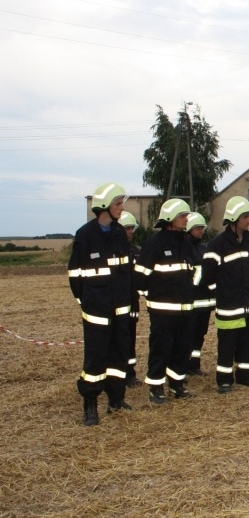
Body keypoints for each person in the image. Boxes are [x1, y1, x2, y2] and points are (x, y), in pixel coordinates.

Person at [68, 182, 132, 426]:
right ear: (104, 206)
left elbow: (125, 271)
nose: (122, 208)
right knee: (95, 358)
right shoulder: (85, 235)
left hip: (120, 309)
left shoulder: (119, 233)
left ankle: (116, 399)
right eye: (118, 204)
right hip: (97, 310)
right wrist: (86, 301)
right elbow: (75, 274)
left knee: (119, 356)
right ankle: (90, 404)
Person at [135, 199, 196, 404]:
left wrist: (190, 293)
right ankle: (156, 388)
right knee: (161, 349)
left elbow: (193, 271)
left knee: (182, 348)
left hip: (185, 309)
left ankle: (177, 385)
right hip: (162, 311)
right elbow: (140, 275)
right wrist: (151, 296)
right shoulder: (155, 243)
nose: (186, 219)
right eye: (183, 216)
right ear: (170, 218)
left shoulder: (186, 242)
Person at [202, 196, 249, 393]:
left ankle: (245, 376)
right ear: (234, 219)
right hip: (228, 307)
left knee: (247, 344)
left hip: (247, 306)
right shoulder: (218, 244)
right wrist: (219, 292)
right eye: (245, 216)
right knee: (227, 346)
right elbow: (207, 274)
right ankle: (225, 380)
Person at [186, 213, 214, 376]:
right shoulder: (185, 249)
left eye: (202, 228)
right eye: (198, 228)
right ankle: (183, 365)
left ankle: (194, 365)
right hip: (192, 302)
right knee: (187, 335)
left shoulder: (203, 249)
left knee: (199, 335)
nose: (201, 231)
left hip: (205, 303)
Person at [118, 211, 142, 388]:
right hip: (115, 304)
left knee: (130, 338)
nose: (131, 231)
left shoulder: (136, 251)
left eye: (132, 228)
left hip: (132, 303)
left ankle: (130, 374)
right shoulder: (111, 251)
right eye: (127, 228)